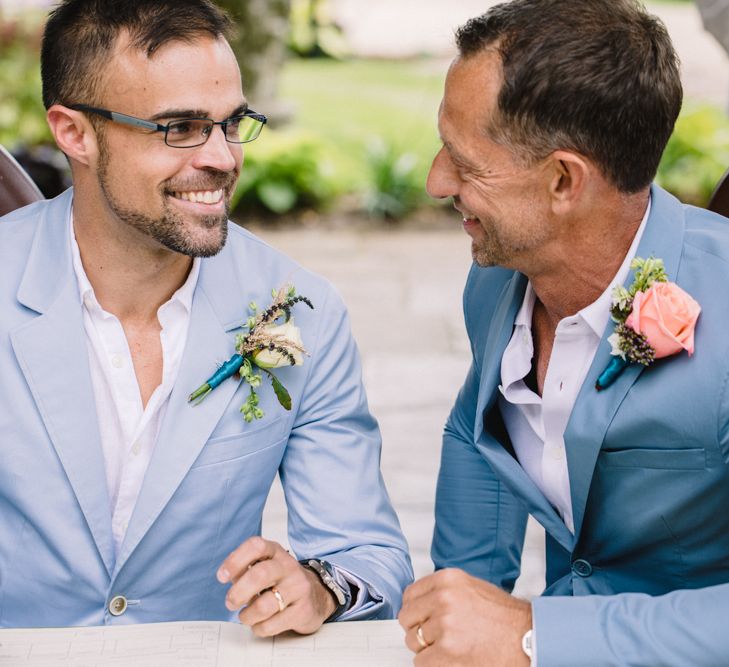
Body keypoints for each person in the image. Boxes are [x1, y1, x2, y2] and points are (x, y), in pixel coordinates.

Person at [0, 0, 412, 632]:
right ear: (74, 133)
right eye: (181, 127)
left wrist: (320, 587)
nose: (223, 158)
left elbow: (370, 555)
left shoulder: (303, 310)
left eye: (232, 123)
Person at [398, 0, 729, 665]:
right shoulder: (495, 280)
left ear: (563, 180)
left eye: (464, 161)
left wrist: (533, 635)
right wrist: (458, 606)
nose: (436, 180)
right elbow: (480, 430)